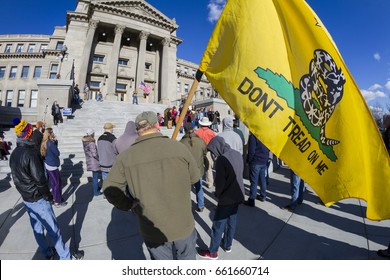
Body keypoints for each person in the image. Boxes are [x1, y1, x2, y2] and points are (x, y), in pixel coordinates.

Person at [102, 111, 200, 260]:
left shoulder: (126, 157)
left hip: (152, 229)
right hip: (183, 224)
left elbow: (109, 189)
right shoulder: (179, 147)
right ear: (157, 125)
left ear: (138, 131)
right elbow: (195, 178)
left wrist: (128, 204)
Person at [9, 118, 83, 260]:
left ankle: (47, 252)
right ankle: (66, 258)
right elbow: (40, 180)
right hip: (38, 198)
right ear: (29, 134)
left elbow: (16, 178)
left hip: (27, 199)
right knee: (53, 230)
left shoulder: (15, 153)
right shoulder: (30, 154)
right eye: (31, 132)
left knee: (37, 229)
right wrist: (48, 196)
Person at [197, 136, 245, 260]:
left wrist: (218, 195)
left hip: (227, 198)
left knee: (218, 224)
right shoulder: (236, 153)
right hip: (238, 194)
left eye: (212, 152)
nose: (212, 155)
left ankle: (212, 252)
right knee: (232, 220)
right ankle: (228, 245)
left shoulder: (222, 160)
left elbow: (220, 183)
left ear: (216, 148)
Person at [180, 122, 207, 212]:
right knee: (199, 187)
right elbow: (204, 153)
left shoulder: (181, 143)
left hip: (186, 170)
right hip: (198, 169)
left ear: (185, 131)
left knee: (186, 190)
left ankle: (187, 206)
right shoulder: (201, 141)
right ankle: (201, 205)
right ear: (193, 129)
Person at [41, 127, 67, 207]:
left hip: (48, 164)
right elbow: (57, 153)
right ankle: (57, 201)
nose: (53, 133)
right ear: (49, 134)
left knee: (53, 183)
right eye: (52, 132)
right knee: (56, 184)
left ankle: (56, 199)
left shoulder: (44, 142)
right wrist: (55, 143)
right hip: (52, 165)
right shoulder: (50, 143)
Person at [244, 132, 271, 207]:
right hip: (264, 161)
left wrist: (248, 160)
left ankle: (252, 199)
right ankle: (263, 196)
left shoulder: (253, 136)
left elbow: (251, 151)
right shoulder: (266, 136)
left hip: (256, 161)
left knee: (254, 182)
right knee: (263, 180)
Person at [195, 116, 216, 188]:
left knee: (199, 166)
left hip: (199, 151)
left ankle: (198, 181)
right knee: (209, 168)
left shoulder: (197, 132)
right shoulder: (212, 133)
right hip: (208, 151)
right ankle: (210, 183)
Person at [82, 128, 101, 197]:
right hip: (94, 162)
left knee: (95, 176)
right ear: (92, 134)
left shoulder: (85, 142)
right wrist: (99, 158)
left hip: (90, 161)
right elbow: (94, 154)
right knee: (95, 177)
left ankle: (96, 188)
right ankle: (96, 192)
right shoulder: (91, 143)